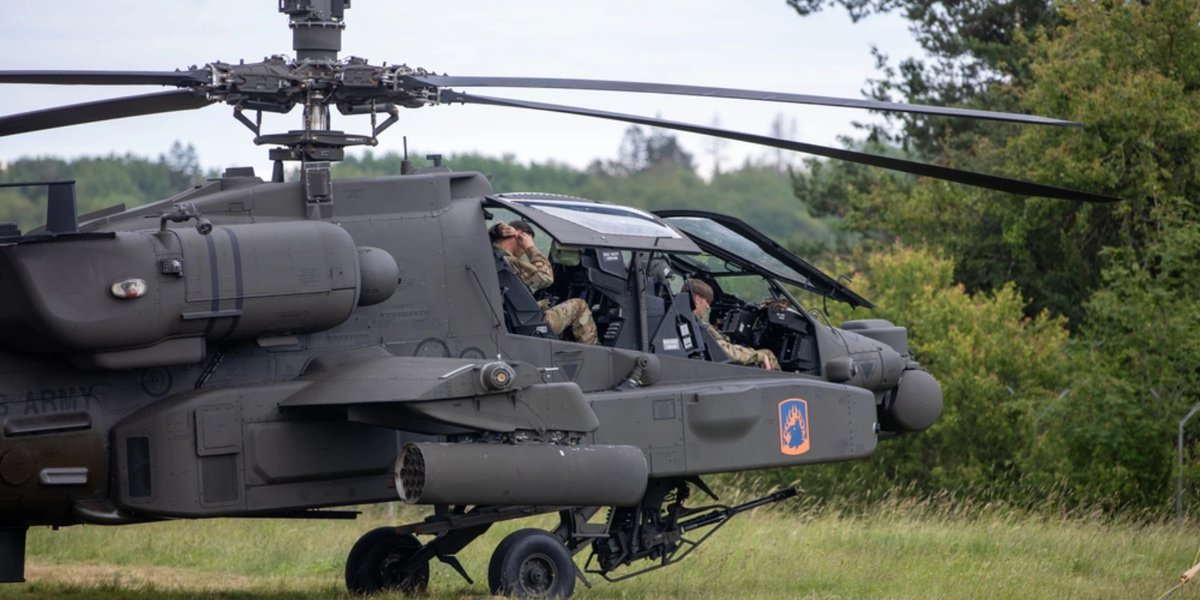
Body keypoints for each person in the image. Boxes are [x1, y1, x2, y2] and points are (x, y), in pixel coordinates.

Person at [490, 220, 598, 344]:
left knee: (549, 303)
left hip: (513, 319)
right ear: (519, 235)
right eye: (527, 240)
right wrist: (531, 248)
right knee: (580, 305)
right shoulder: (508, 261)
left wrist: (495, 230)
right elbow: (546, 278)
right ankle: (596, 351)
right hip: (530, 324)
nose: (524, 251)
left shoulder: (489, 254)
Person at [685, 278, 780, 370]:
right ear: (698, 299)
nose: (708, 307)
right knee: (768, 354)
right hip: (715, 368)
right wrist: (759, 356)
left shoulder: (683, 320)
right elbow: (726, 352)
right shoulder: (696, 325)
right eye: (707, 302)